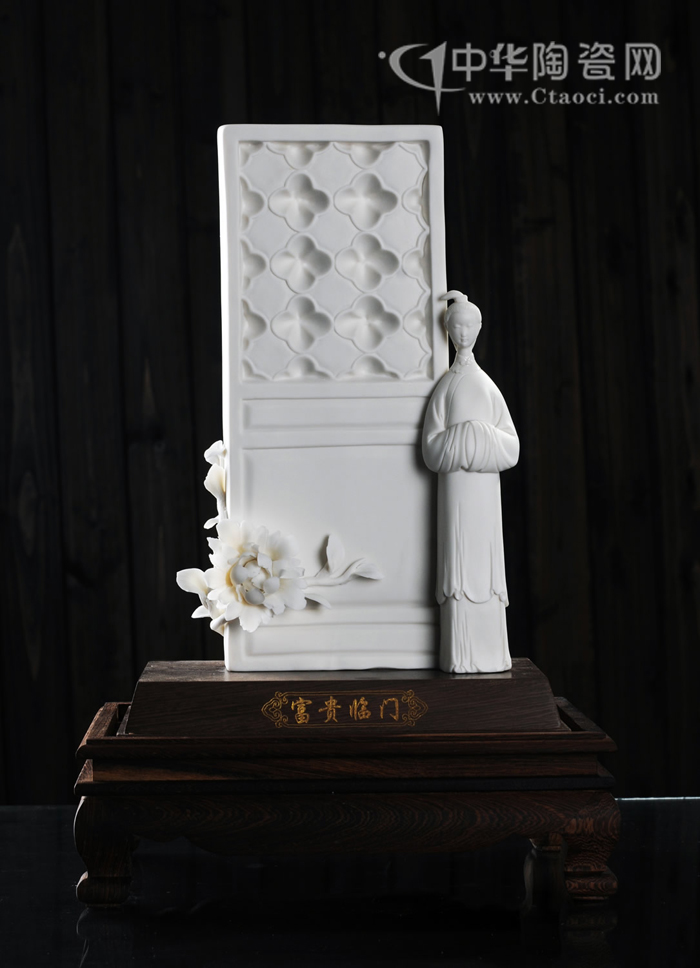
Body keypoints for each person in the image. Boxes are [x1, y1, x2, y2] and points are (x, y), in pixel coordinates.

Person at [422, 291, 519, 673]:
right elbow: (431, 449)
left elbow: (511, 447)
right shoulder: (446, 387)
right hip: (456, 492)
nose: (463, 333)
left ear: (479, 328)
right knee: (458, 567)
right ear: (447, 331)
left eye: (469, 326)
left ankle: (492, 652)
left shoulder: (487, 386)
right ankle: (460, 654)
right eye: (456, 327)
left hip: (483, 491)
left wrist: (478, 436)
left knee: (485, 569)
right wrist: (463, 439)